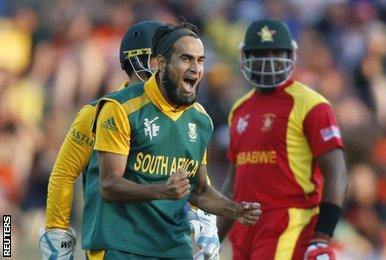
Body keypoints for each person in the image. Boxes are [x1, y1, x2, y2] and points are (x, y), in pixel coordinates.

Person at [40, 20, 222, 260]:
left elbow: (195, 175)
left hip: (163, 243)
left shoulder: (189, 114)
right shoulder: (98, 112)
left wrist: (205, 219)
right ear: (135, 60)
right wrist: (56, 229)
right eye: (157, 58)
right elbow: (64, 172)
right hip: (115, 243)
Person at [81, 22, 261, 259]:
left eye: (200, 60)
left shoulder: (200, 119)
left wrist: (234, 209)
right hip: (121, 246)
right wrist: (162, 191)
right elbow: (109, 185)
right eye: (186, 59)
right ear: (162, 63)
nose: (195, 69)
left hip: (174, 248)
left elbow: (199, 190)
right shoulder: (120, 108)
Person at [217, 18, 348, 260]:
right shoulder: (239, 108)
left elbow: (337, 172)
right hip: (244, 226)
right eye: (260, 53)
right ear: (244, 56)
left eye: (276, 52)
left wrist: (322, 236)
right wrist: (213, 239)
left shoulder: (312, 104)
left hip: (288, 223)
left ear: (291, 55)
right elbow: (234, 182)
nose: (268, 60)